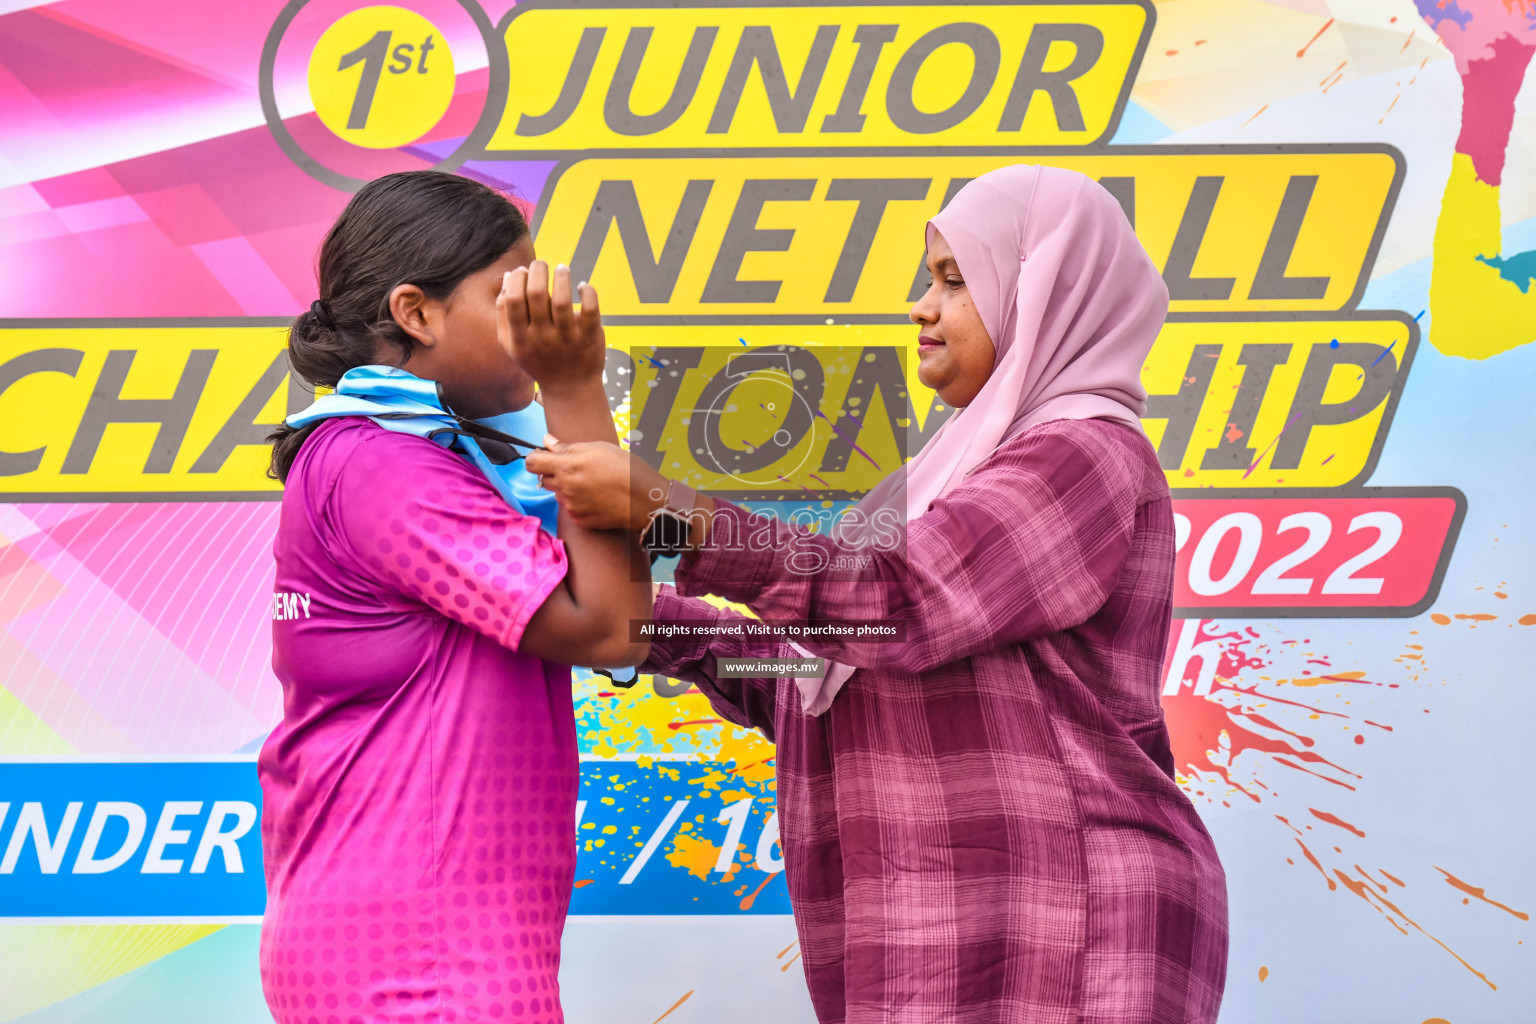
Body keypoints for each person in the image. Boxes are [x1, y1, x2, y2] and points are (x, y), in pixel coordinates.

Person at [526, 165, 1229, 1023]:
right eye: (929, 280)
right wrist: (630, 620)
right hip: (929, 929)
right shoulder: (930, 489)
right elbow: (800, 671)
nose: (921, 308)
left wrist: (667, 515)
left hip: (1063, 927)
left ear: (1044, 295)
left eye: (955, 281)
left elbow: (898, 603)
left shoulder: (1084, 456)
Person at [258, 170, 650, 1024]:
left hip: (410, 940)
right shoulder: (384, 468)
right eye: (511, 293)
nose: (540, 318)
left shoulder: (405, 458)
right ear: (416, 313)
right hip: (418, 957)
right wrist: (575, 385)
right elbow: (614, 628)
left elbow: (618, 589)